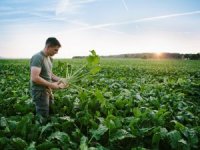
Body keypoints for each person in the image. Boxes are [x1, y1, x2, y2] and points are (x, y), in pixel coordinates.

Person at [30, 37, 67, 120]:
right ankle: (40, 131)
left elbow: (50, 75)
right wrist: (51, 85)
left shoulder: (49, 58)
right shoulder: (38, 57)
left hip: (48, 90)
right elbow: (35, 78)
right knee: (43, 115)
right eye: (55, 50)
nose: (57, 52)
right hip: (39, 91)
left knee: (50, 110)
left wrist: (61, 80)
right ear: (48, 47)